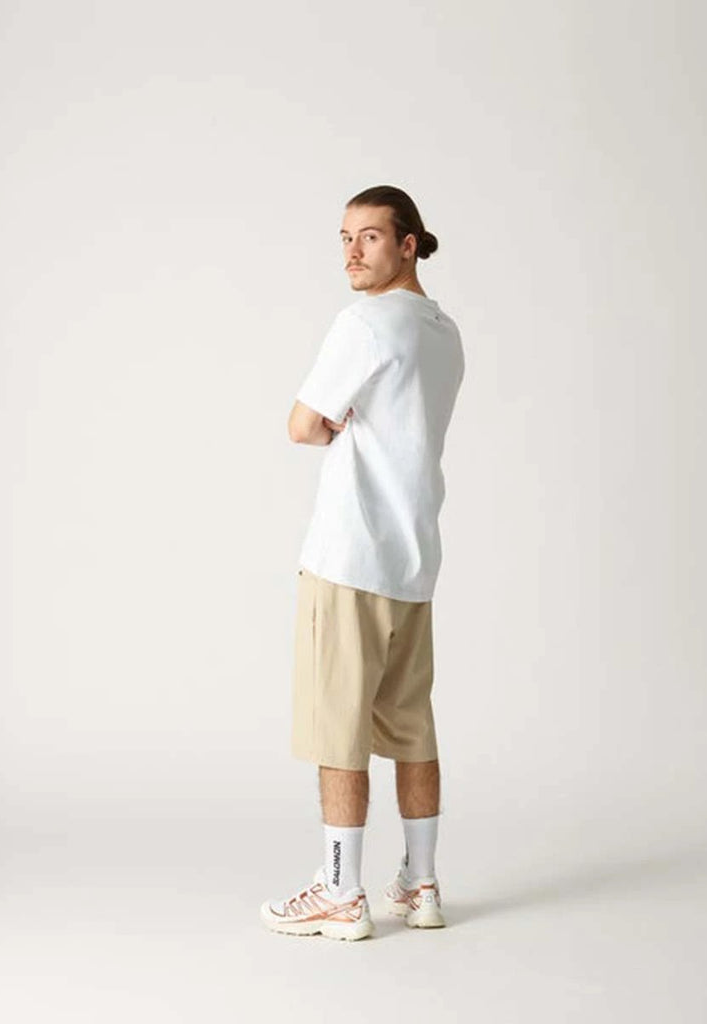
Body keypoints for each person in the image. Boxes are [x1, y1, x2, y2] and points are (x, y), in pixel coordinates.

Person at [260, 185, 465, 941]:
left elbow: (301, 424)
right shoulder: (444, 332)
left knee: (337, 729)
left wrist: (330, 426)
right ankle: (422, 884)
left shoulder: (365, 323)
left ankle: (341, 893)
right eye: (345, 237)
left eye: (370, 237)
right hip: (414, 560)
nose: (351, 251)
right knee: (411, 726)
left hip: (349, 556)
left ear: (408, 244)